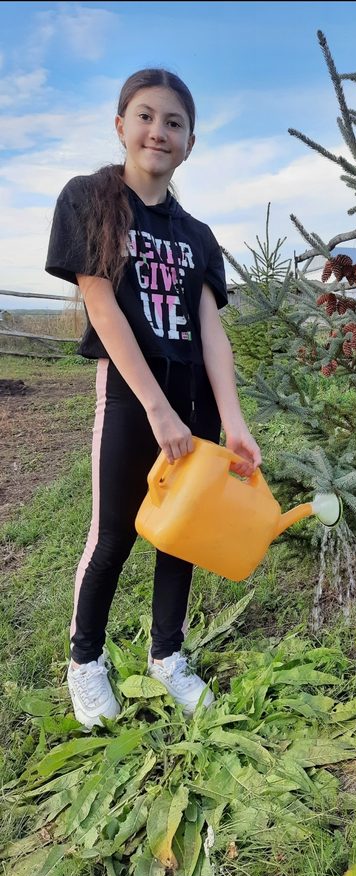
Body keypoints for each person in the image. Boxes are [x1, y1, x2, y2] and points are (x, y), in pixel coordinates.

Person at [45, 68, 261, 730]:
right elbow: (102, 307)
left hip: (193, 399)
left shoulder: (197, 236)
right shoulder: (89, 199)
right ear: (120, 126)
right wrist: (157, 410)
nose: (158, 131)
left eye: (173, 122)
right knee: (112, 534)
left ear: (190, 143)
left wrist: (232, 421)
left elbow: (212, 332)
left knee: (185, 536)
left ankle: (168, 658)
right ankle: (86, 663)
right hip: (134, 398)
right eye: (145, 116)